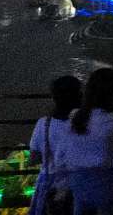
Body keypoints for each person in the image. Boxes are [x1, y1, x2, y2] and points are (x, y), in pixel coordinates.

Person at [60, 68, 113, 215]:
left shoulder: (75, 118)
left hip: (79, 186)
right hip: (108, 188)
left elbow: (63, 155)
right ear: (109, 92)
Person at [28, 75, 83, 215]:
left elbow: (34, 158)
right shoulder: (86, 124)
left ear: (54, 98)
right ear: (79, 96)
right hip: (80, 185)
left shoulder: (43, 124)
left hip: (50, 186)